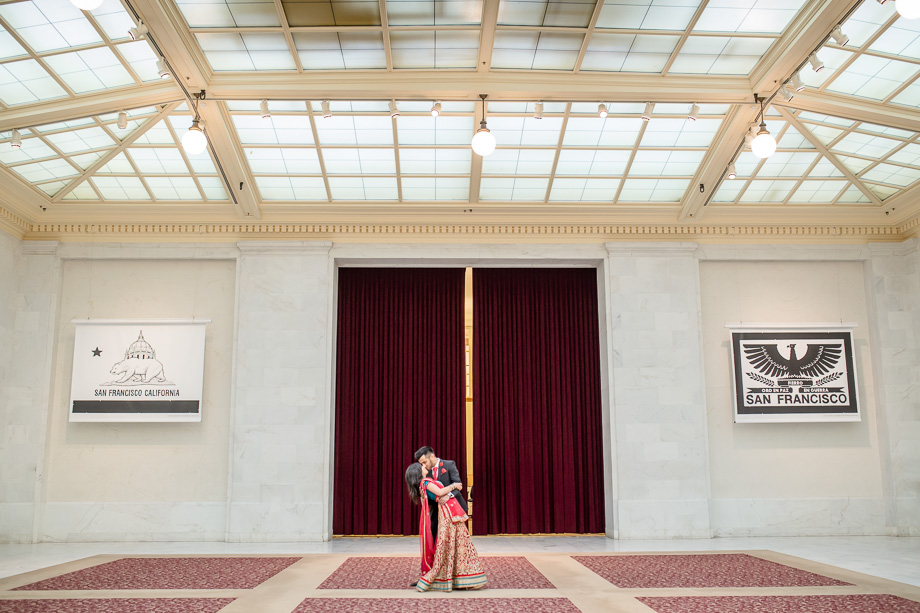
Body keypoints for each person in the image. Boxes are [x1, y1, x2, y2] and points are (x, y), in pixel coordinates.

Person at [405, 462, 487, 592]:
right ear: (418, 472)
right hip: (448, 514)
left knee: (455, 544)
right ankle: (454, 577)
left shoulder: (425, 483)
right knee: (454, 544)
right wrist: (454, 485)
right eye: (421, 465)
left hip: (449, 513)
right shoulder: (425, 483)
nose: (424, 466)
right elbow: (440, 491)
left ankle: (457, 577)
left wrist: (445, 494)